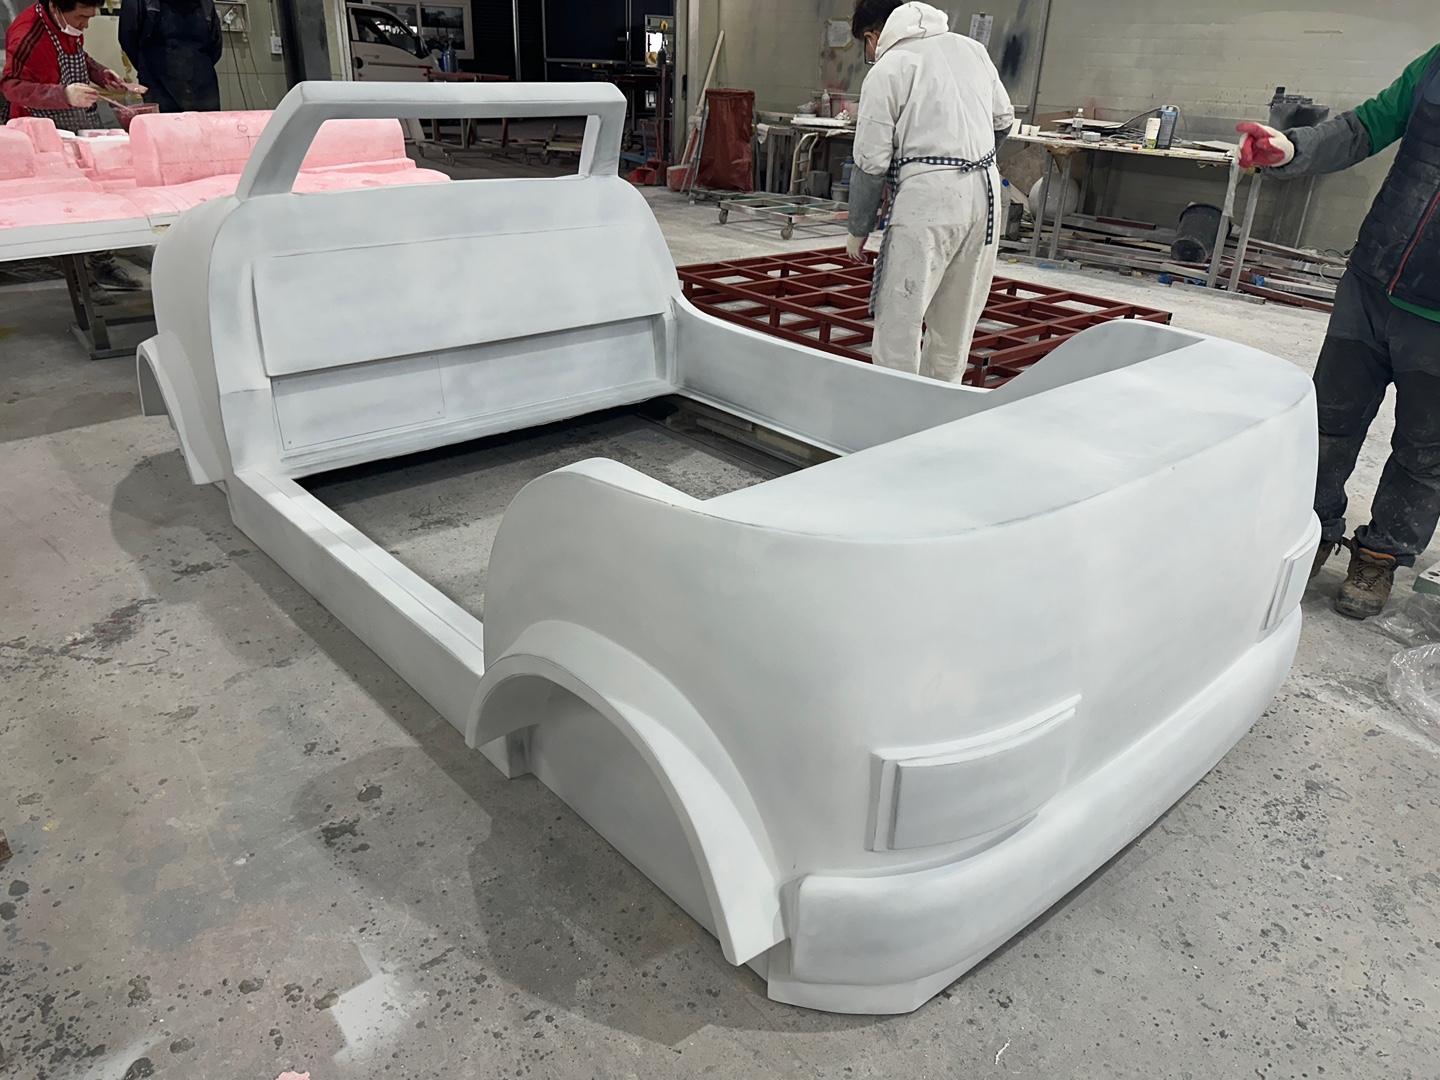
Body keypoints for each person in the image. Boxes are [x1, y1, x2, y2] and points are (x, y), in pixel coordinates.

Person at [1239, 45, 1440, 619]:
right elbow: (1364, 127)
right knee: (1328, 422)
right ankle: (1312, 530)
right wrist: (1292, 149)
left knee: (1424, 451)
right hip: (1371, 281)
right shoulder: (1436, 65)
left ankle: (1380, 556)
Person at [844, 0, 1014, 383]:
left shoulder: (890, 67)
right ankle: (941, 404)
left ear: (873, 36)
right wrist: (969, 159)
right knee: (956, 321)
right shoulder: (972, 49)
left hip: (927, 198)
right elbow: (1004, 120)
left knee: (900, 318)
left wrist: (858, 229)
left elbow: (870, 163)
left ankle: (896, 407)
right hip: (985, 194)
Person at [2, 0, 148, 290]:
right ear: (56, 6)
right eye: (81, 17)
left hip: (78, 121)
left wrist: (99, 73)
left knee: (97, 193)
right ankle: (80, 279)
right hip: (43, 128)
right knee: (68, 205)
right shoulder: (27, 32)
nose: (86, 25)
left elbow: (78, 55)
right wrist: (64, 95)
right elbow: (10, 86)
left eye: (90, 17)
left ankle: (102, 264)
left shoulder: (68, 25)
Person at [118, 0, 224, 114]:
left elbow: (215, 43)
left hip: (203, 88)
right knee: (162, 125)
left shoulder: (206, 3)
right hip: (158, 85)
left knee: (206, 125)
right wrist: (145, 67)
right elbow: (127, 36)